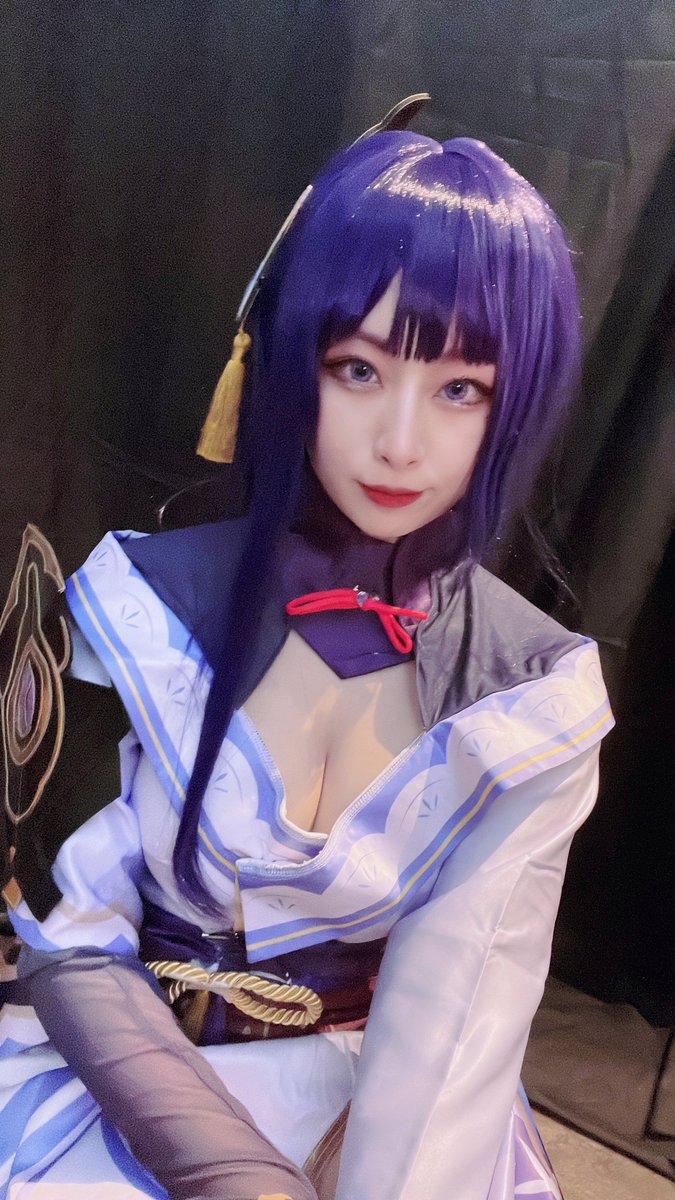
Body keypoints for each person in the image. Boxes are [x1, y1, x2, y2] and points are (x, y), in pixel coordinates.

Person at [0, 117, 613, 1200]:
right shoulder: (134, 606)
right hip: (125, 1084)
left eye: (460, 388)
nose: (400, 442)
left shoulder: (535, 697)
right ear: (289, 361)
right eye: (358, 369)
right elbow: (71, 937)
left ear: (513, 401)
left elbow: (456, 1014)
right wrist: (236, 1174)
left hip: (377, 1109)